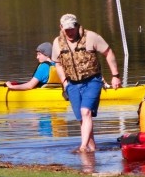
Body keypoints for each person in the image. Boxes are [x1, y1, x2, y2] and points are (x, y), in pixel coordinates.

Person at [51, 13, 121, 153]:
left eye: (72, 28)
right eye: (67, 30)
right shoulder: (57, 42)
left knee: (86, 112)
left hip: (92, 80)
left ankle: (83, 147)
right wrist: (64, 82)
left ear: (77, 26)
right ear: (61, 28)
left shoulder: (91, 37)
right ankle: (92, 149)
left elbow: (108, 53)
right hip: (72, 83)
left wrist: (115, 75)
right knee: (83, 119)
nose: (70, 32)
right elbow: (57, 63)